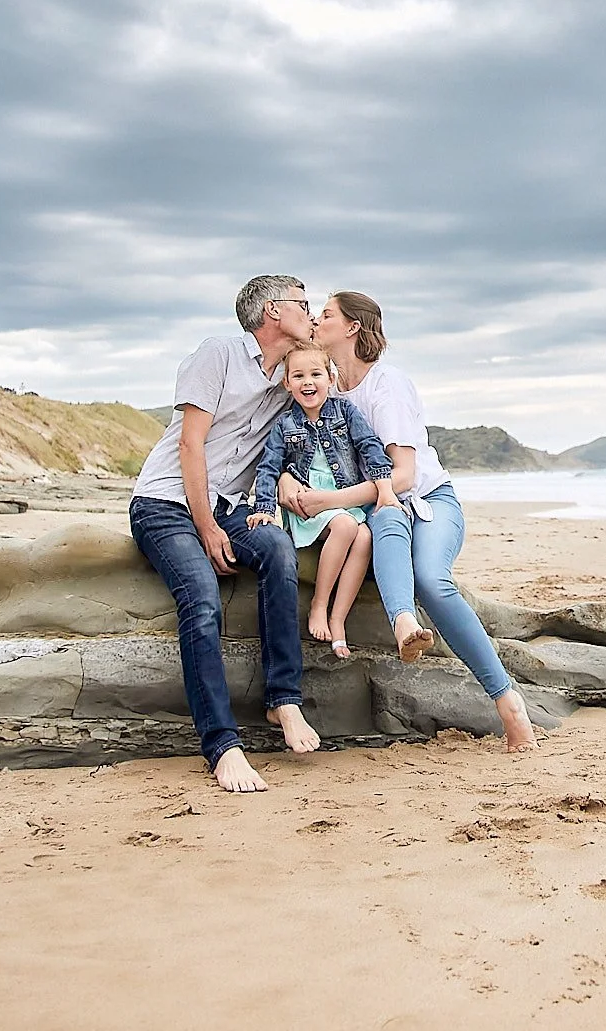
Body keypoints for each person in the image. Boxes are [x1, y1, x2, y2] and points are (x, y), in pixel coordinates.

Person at [309, 291, 537, 751]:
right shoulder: (327, 389)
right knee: (385, 523)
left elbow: (405, 475)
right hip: (383, 508)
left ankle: (508, 700)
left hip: (431, 499)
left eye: (326, 314)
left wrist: (326, 499)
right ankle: (403, 627)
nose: (316, 318)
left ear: (353, 327)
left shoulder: (386, 383)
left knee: (432, 579)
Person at [127, 275, 323, 793]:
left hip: (230, 506)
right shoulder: (217, 354)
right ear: (274, 312)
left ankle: (284, 700)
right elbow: (192, 445)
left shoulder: (290, 376)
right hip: (166, 503)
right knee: (203, 597)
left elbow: (329, 395)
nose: (311, 312)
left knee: (278, 549)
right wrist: (207, 526)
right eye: (304, 305)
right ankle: (222, 746)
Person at [246, 343, 401, 658]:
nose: (308, 382)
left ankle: (338, 618)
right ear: (287, 383)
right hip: (309, 502)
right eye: (298, 376)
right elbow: (268, 468)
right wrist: (265, 509)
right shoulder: (284, 425)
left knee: (365, 536)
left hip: (343, 497)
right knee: (345, 526)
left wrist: (385, 488)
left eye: (315, 374)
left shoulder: (345, 412)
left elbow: (370, 446)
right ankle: (318, 605)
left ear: (330, 378)